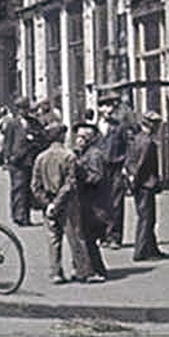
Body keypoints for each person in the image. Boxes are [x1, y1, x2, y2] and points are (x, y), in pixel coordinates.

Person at [30, 119, 75, 284]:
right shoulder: (69, 156)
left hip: (48, 203)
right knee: (73, 236)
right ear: (62, 137)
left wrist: (47, 204)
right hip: (67, 203)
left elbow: (35, 185)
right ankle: (78, 268)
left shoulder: (40, 158)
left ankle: (56, 272)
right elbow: (71, 183)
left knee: (53, 238)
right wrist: (58, 202)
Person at [69, 120, 111, 283]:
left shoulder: (94, 155)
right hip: (86, 203)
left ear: (90, 139)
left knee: (89, 238)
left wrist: (80, 175)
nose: (78, 140)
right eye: (77, 136)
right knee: (85, 237)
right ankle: (85, 268)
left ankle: (97, 270)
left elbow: (96, 177)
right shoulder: (83, 153)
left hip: (94, 205)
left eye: (82, 137)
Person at [126, 111, 165, 261]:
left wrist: (131, 179)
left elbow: (129, 161)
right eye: (157, 124)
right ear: (151, 124)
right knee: (146, 218)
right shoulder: (147, 142)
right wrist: (137, 181)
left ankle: (152, 249)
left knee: (147, 217)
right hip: (145, 184)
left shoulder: (137, 139)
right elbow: (141, 165)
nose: (159, 127)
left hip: (140, 183)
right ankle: (141, 251)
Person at [99, 94, 128, 247]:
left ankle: (115, 237)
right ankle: (103, 235)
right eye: (105, 106)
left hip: (116, 167)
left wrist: (125, 167)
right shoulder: (95, 127)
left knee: (116, 203)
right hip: (99, 170)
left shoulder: (119, 127)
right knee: (100, 202)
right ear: (99, 108)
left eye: (111, 106)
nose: (108, 110)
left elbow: (127, 147)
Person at [0, 98, 31, 226]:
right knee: (18, 188)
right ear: (18, 110)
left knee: (27, 189)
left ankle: (26, 216)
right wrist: (8, 157)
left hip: (29, 159)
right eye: (22, 108)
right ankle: (18, 215)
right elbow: (7, 141)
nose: (25, 111)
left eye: (26, 108)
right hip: (16, 161)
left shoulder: (32, 122)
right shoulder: (12, 123)